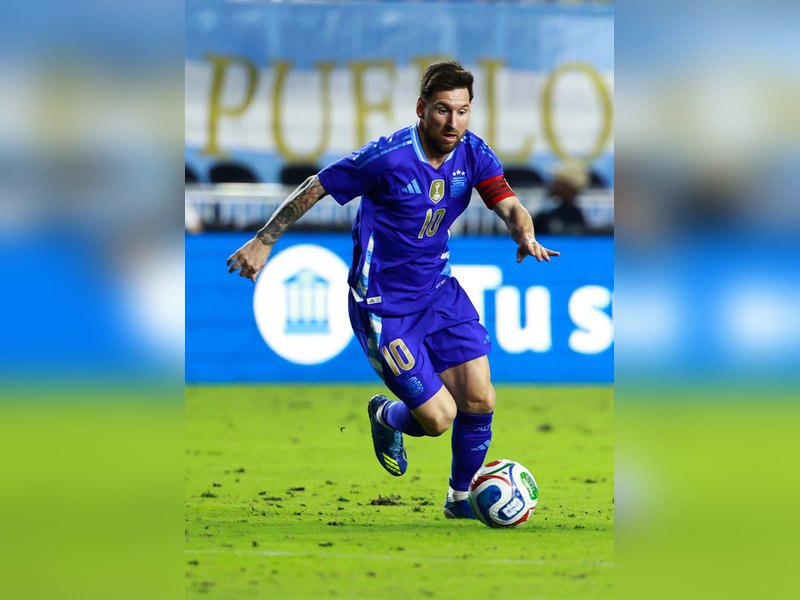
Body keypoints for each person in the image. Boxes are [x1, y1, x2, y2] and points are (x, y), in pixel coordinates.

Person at [227, 61, 559, 519]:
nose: (453, 122)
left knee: (481, 397)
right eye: (443, 110)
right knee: (439, 419)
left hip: (440, 294)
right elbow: (316, 186)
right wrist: (264, 240)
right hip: (384, 307)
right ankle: (385, 415)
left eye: (463, 112)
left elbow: (509, 204)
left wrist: (524, 232)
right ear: (422, 108)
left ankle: (460, 499)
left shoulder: (474, 153)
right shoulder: (387, 157)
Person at [534, 160, 590, 235]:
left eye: (556, 180)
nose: (551, 183)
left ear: (568, 187)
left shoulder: (572, 219)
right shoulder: (545, 216)